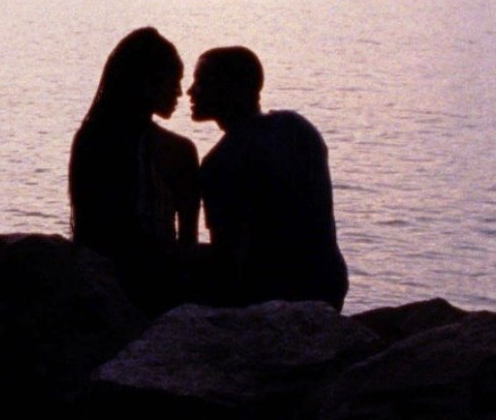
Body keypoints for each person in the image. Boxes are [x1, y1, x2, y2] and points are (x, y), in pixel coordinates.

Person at [188, 46, 349, 311]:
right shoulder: (297, 127)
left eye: (202, 82)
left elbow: (227, 255)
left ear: (233, 89)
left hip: (271, 296)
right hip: (328, 286)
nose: (190, 91)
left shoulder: (221, 161)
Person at [69, 27, 199, 314]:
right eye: (174, 81)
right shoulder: (178, 151)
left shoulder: (89, 140)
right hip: (157, 290)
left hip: (102, 289)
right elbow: (187, 243)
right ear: (147, 83)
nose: (180, 92)